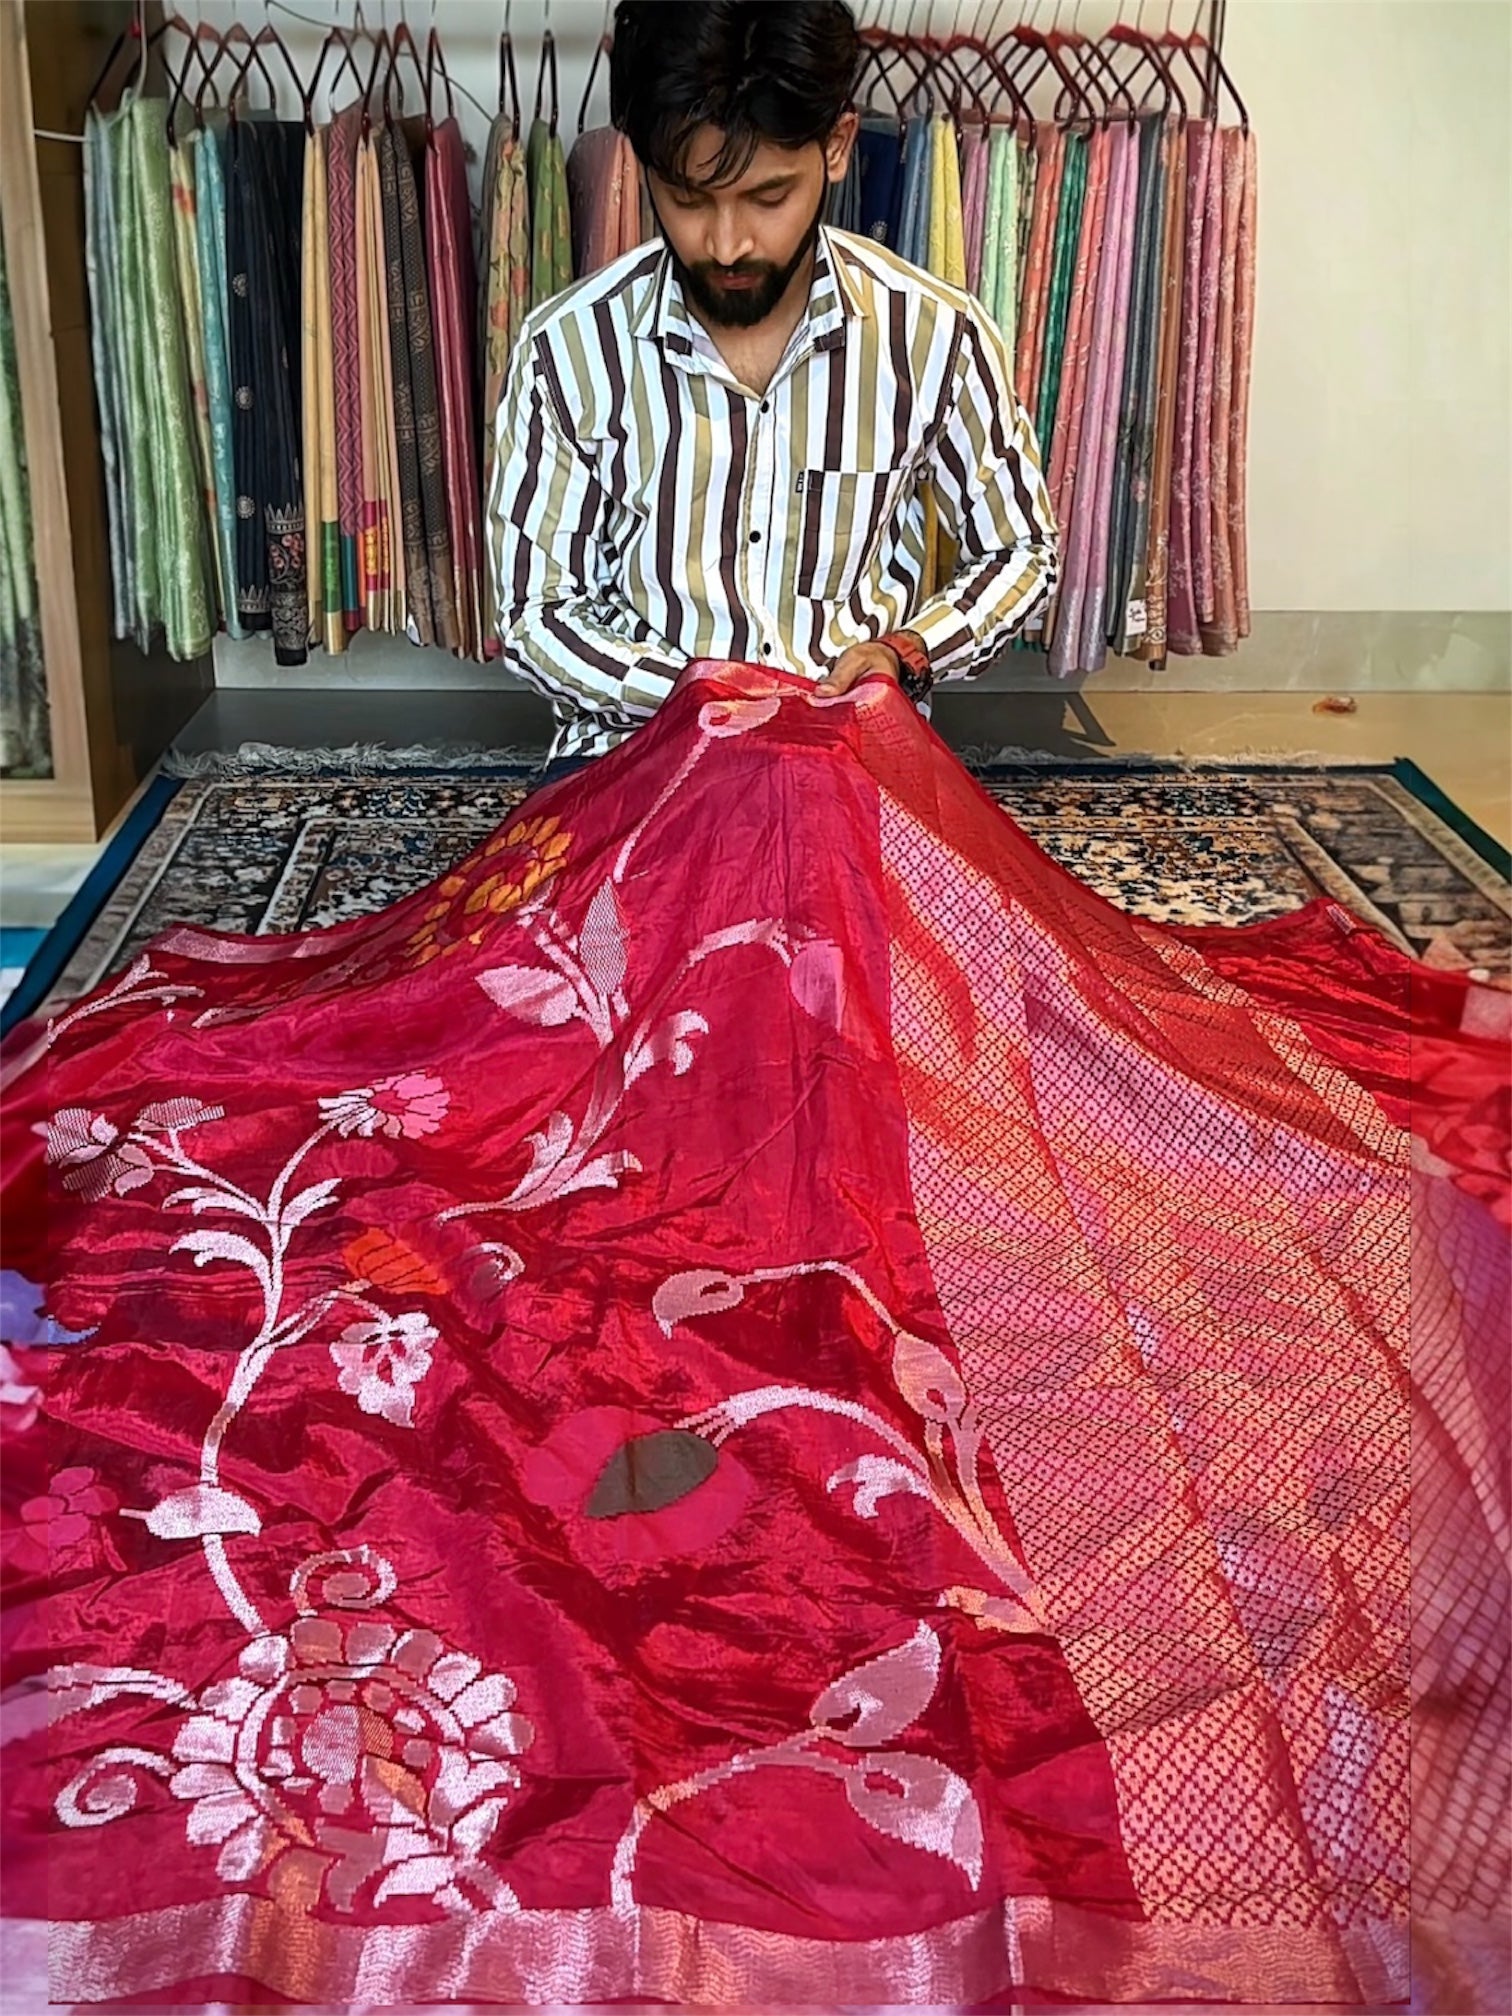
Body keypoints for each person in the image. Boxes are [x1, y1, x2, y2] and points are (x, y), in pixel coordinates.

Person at [490, 0, 1057, 778]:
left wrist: (908, 652)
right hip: (635, 754)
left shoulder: (931, 335)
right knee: (594, 906)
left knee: (897, 904)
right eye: (687, 198)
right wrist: (692, 693)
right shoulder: (568, 350)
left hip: (849, 756)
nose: (726, 243)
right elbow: (535, 615)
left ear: (837, 147)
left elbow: (1020, 547)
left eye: (766, 197)